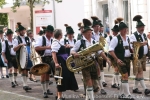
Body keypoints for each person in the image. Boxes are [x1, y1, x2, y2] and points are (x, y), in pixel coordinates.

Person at [71, 18, 111, 100]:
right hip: (85, 64)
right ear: (84, 33)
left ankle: (88, 98)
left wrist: (106, 59)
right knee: (88, 82)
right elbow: (72, 50)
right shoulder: (79, 42)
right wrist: (74, 53)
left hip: (93, 63)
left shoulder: (94, 41)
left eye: (90, 32)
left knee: (92, 82)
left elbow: (100, 52)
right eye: (88, 32)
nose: (90, 34)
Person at [109, 18, 134, 100]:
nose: (125, 30)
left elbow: (129, 48)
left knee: (124, 77)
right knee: (125, 76)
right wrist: (117, 59)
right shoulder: (116, 38)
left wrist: (133, 51)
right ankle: (128, 95)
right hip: (120, 60)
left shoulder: (128, 38)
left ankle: (121, 94)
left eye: (126, 29)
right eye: (123, 29)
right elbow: (110, 50)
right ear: (120, 30)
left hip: (127, 59)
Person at [51, 29, 78, 100]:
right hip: (60, 62)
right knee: (60, 78)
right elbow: (54, 53)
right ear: (60, 35)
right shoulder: (55, 42)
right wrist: (56, 63)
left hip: (62, 61)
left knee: (61, 78)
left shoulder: (57, 42)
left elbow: (59, 49)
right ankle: (59, 97)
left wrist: (65, 47)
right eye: (61, 33)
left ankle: (58, 95)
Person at [130, 15, 150, 95]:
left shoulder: (144, 35)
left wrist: (148, 51)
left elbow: (146, 44)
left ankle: (135, 88)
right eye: (141, 27)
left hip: (144, 56)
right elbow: (134, 45)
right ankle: (145, 89)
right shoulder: (133, 35)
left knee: (139, 73)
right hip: (137, 57)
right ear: (137, 28)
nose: (143, 28)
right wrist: (143, 43)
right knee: (140, 72)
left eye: (143, 27)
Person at [35, 25, 54, 98]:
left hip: (50, 57)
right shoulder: (41, 38)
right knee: (43, 74)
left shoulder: (52, 39)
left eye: (52, 32)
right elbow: (36, 47)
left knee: (48, 74)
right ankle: (44, 91)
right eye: (51, 32)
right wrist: (47, 47)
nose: (52, 34)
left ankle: (47, 89)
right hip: (43, 57)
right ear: (47, 32)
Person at [13, 23, 32, 92]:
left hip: (27, 56)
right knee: (23, 69)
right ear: (19, 32)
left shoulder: (27, 38)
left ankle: (26, 84)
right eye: (22, 31)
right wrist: (20, 45)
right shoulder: (16, 39)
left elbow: (30, 47)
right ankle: (24, 84)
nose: (23, 32)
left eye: (24, 30)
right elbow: (14, 49)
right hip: (20, 56)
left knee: (26, 70)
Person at [91, 16, 107, 94]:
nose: (98, 27)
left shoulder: (100, 34)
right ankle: (94, 86)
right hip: (93, 55)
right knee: (94, 72)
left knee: (99, 71)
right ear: (93, 27)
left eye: (98, 26)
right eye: (96, 26)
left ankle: (101, 88)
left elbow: (104, 44)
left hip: (100, 54)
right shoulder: (91, 35)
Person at [106, 20, 120, 89]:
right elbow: (107, 47)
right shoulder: (109, 38)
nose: (115, 32)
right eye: (114, 31)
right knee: (116, 69)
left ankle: (113, 83)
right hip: (111, 55)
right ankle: (117, 83)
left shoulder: (118, 38)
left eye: (116, 31)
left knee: (116, 69)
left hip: (116, 55)